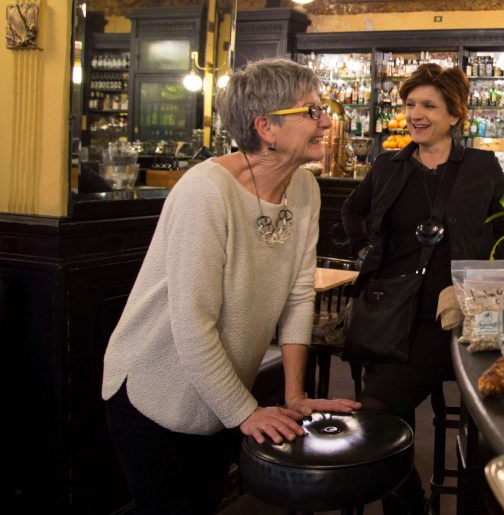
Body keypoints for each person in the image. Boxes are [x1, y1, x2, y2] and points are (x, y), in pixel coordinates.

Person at [102, 59, 360, 513]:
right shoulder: (205, 191)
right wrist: (245, 412)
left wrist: (295, 396)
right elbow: (191, 322)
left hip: (220, 392)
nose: (326, 121)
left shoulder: (304, 188)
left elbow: (300, 295)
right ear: (266, 127)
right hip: (155, 388)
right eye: (311, 110)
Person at [342, 62, 504, 514]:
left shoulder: (481, 166)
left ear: (455, 115)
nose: (415, 114)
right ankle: (408, 501)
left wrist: (495, 275)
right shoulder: (389, 165)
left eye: (429, 106)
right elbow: (352, 210)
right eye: (410, 104)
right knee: (379, 415)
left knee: (378, 409)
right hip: (391, 315)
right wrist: (363, 250)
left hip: (452, 320)